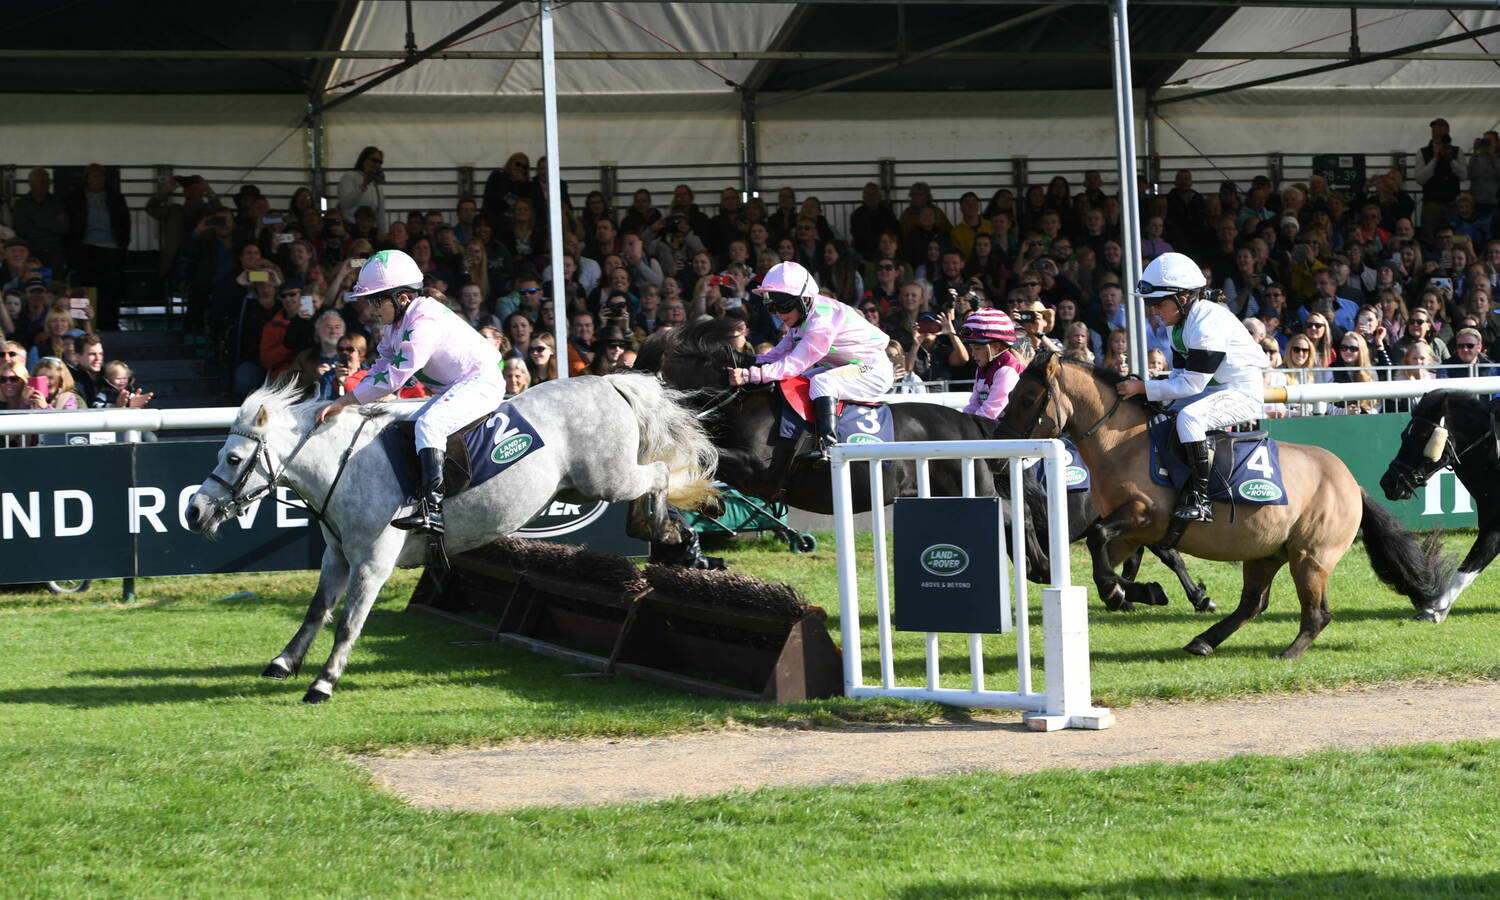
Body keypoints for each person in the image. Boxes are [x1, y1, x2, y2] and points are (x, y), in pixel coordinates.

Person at [315, 249, 505, 536]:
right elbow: (380, 366)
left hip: (481, 382)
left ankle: (433, 510)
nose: (371, 308)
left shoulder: (423, 321)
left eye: (376, 300)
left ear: (402, 297)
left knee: (430, 424)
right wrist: (349, 400)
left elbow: (394, 377)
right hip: (457, 386)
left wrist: (344, 401)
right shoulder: (397, 323)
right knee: (400, 421)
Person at [1115, 252, 1267, 523]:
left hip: (1242, 391)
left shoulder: (1208, 323)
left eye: (1157, 303)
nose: (1153, 310)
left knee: (1190, 418)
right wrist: (1151, 392)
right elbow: (1180, 378)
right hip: (1214, 388)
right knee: (1160, 411)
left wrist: (1142, 387)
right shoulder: (1179, 326)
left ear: (1182, 299)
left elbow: (1190, 383)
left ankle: (1201, 499)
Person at [728, 261, 893, 462]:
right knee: (801, 382)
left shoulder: (821, 321)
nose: (779, 314)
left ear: (805, 300)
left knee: (823, 382)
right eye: (771, 307)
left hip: (872, 369)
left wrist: (749, 375)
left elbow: (793, 364)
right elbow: (776, 355)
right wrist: (743, 362)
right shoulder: (801, 317)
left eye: (782, 305)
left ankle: (829, 447)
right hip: (845, 366)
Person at [956, 308, 1023, 424]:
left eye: (977, 348)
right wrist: (959, 421)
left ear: (996, 346)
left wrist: (967, 426)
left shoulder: (1007, 370)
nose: (973, 354)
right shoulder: (981, 368)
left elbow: (990, 412)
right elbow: (974, 404)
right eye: (971, 349)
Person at [337, 147, 386, 227]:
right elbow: (345, 204)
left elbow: (380, 212)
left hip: (369, 229)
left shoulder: (376, 183)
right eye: (374, 160)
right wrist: (363, 186)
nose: (377, 164)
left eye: (380, 162)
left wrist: (382, 231)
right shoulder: (349, 176)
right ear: (364, 159)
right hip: (351, 227)